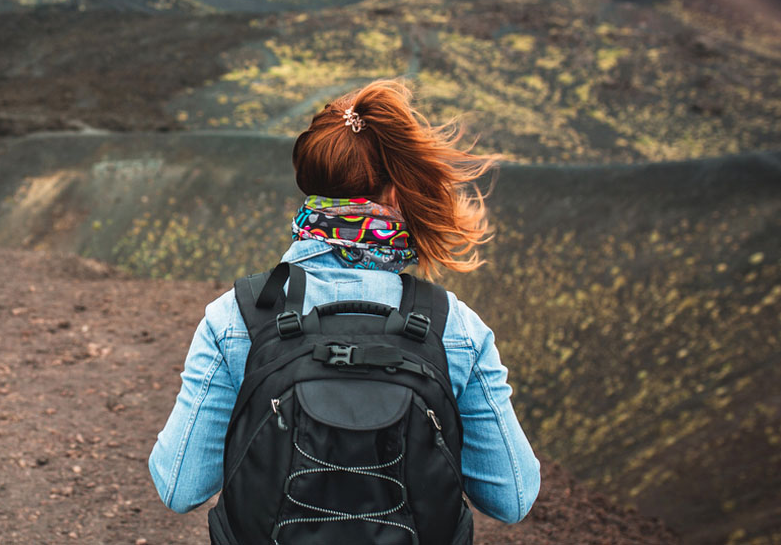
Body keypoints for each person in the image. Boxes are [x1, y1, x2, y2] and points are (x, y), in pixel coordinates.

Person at [148, 78, 541, 527]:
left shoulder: (236, 317)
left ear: (310, 185)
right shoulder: (455, 327)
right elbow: (513, 496)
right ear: (396, 194)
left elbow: (178, 485)